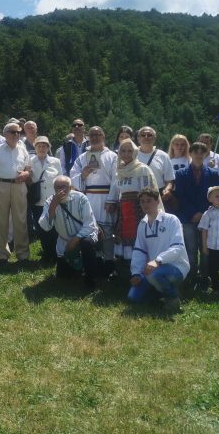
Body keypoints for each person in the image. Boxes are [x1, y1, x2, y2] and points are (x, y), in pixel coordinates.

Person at [128, 187, 190, 312]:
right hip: (152, 269)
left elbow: (178, 247)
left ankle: (172, 298)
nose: (145, 204)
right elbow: (139, 251)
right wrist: (136, 273)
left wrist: (158, 261)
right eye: (142, 201)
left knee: (154, 275)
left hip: (176, 267)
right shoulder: (142, 224)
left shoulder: (171, 219)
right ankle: (162, 291)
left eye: (149, 200)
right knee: (133, 297)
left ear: (157, 201)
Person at [70, 126, 118, 278]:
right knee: (90, 230)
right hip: (88, 198)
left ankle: (109, 263)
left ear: (103, 136)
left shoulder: (112, 156)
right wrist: (83, 175)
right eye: (92, 135)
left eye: (98, 135)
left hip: (106, 197)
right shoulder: (82, 157)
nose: (95, 138)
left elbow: (116, 179)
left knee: (107, 232)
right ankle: (94, 263)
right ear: (88, 137)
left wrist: (111, 200)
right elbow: (72, 177)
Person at [173, 141, 219, 288]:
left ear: (205, 154)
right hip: (187, 217)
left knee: (205, 249)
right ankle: (191, 276)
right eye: (196, 151)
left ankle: (205, 277)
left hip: (207, 217)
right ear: (190, 153)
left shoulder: (213, 173)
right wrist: (193, 212)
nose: (199, 154)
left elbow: (214, 196)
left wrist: (201, 212)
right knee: (190, 249)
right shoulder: (180, 173)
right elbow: (180, 195)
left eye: (202, 152)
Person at [0, 121, 32, 263]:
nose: (16, 134)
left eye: (18, 132)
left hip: (19, 186)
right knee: (1, 220)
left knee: (21, 220)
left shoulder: (23, 149)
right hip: (1, 185)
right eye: (13, 132)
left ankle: (22, 254)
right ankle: (2, 255)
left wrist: (26, 173)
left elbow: (29, 168)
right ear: (5, 134)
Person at [38, 176, 99, 285]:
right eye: (57, 187)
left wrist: (75, 240)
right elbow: (45, 226)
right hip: (64, 241)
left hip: (84, 236)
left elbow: (90, 224)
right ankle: (78, 269)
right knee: (63, 275)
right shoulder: (50, 201)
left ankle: (90, 280)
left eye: (64, 187)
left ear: (70, 188)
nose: (60, 190)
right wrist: (53, 206)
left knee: (86, 244)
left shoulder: (81, 198)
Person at [114, 139, 159, 277]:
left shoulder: (142, 169)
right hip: (124, 209)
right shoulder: (119, 170)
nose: (126, 154)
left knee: (139, 238)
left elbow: (148, 192)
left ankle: (142, 273)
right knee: (124, 238)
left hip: (138, 209)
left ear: (135, 152)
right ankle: (126, 273)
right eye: (123, 151)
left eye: (130, 151)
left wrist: (146, 210)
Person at [29, 136, 62, 264]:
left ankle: (55, 254)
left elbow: (60, 179)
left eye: (44, 146)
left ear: (48, 148)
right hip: (37, 200)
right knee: (41, 228)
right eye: (39, 146)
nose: (42, 148)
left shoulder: (56, 161)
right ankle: (46, 253)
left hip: (53, 200)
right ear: (35, 148)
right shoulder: (30, 161)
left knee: (54, 228)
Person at [136, 126, 175, 199]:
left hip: (157, 196)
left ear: (154, 138)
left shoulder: (163, 156)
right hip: (136, 196)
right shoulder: (132, 154)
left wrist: (167, 190)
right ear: (138, 138)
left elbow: (169, 180)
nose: (146, 137)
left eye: (149, 135)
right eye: (143, 135)